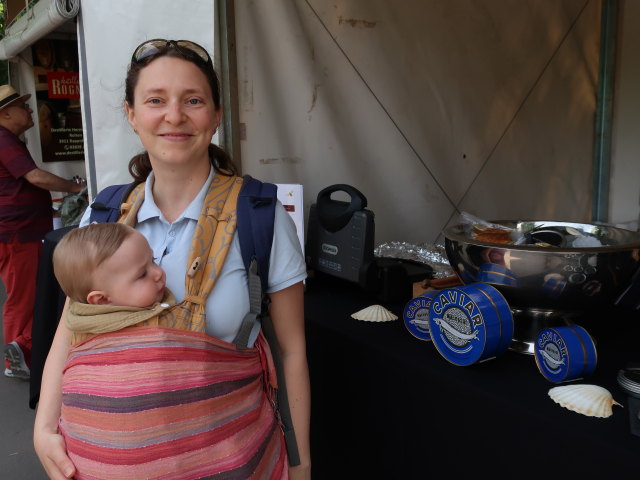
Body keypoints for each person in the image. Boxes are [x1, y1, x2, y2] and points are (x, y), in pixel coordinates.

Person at [33, 40, 311, 480]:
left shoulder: (259, 216)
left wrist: (300, 462)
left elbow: (292, 350)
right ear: (131, 114)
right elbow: (72, 326)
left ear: (217, 115)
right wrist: (44, 427)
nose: (174, 116)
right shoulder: (105, 213)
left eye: (193, 100)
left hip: (226, 460)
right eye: (156, 100)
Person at [0, 84, 85, 380]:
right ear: (5, 113)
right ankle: (18, 356)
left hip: (20, 230)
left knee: (25, 293)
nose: (30, 110)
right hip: (17, 233)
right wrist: (75, 187)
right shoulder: (4, 139)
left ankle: (21, 352)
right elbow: (34, 177)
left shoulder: (10, 139)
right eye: (23, 106)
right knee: (24, 296)